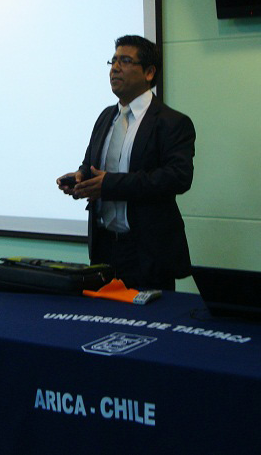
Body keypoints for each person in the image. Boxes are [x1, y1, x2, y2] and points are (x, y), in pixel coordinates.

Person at [57, 35, 196, 290]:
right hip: (104, 249)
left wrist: (110, 184)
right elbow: (90, 165)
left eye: (125, 61)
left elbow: (178, 177)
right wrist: (80, 178)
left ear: (149, 72)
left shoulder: (171, 122)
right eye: (113, 61)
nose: (115, 68)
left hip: (147, 253)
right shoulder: (105, 117)